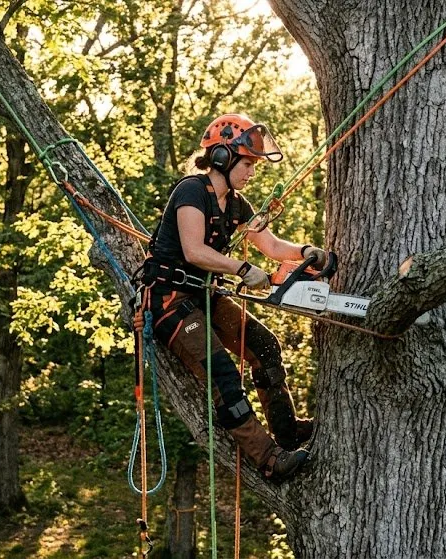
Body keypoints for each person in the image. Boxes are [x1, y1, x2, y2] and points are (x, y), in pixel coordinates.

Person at [138, 113, 326, 480]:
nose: (252, 171)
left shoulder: (238, 205)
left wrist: (305, 252)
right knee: (223, 372)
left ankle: (287, 431)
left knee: (264, 344)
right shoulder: (191, 191)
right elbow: (193, 251)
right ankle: (269, 459)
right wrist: (242, 269)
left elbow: (269, 244)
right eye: (248, 163)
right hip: (170, 301)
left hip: (204, 295)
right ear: (222, 158)